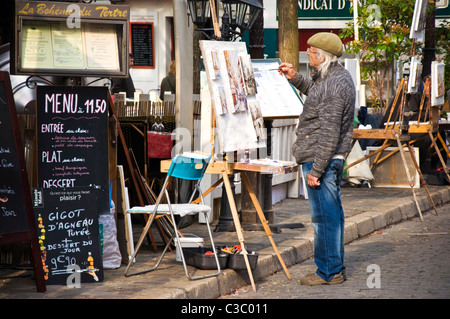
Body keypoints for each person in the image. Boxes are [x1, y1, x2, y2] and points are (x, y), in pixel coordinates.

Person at [278, 32, 356, 285]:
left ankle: (329, 272)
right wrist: (295, 79)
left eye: (311, 51)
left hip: (320, 158)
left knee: (324, 218)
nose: (308, 54)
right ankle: (334, 266)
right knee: (331, 216)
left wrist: (317, 170)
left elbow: (330, 131)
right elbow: (315, 95)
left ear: (322, 55)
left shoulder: (334, 84)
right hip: (323, 157)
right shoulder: (333, 76)